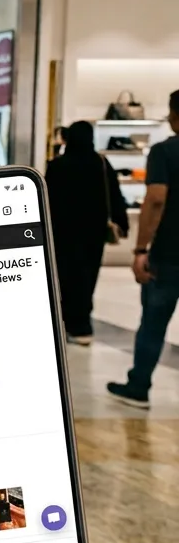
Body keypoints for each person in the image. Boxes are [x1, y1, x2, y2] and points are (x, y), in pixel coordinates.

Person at [110, 90, 179, 408]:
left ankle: (139, 386)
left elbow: (155, 199)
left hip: (169, 253)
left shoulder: (165, 152)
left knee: (153, 321)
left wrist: (140, 249)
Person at [45, 120, 128, 344]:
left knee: (65, 276)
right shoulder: (100, 163)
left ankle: (67, 322)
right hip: (94, 231)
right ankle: (82, 324)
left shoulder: (57, 166)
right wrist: (122, 222)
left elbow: (47, 201)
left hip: (64, 232)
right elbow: (114, 194)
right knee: (87, 276)